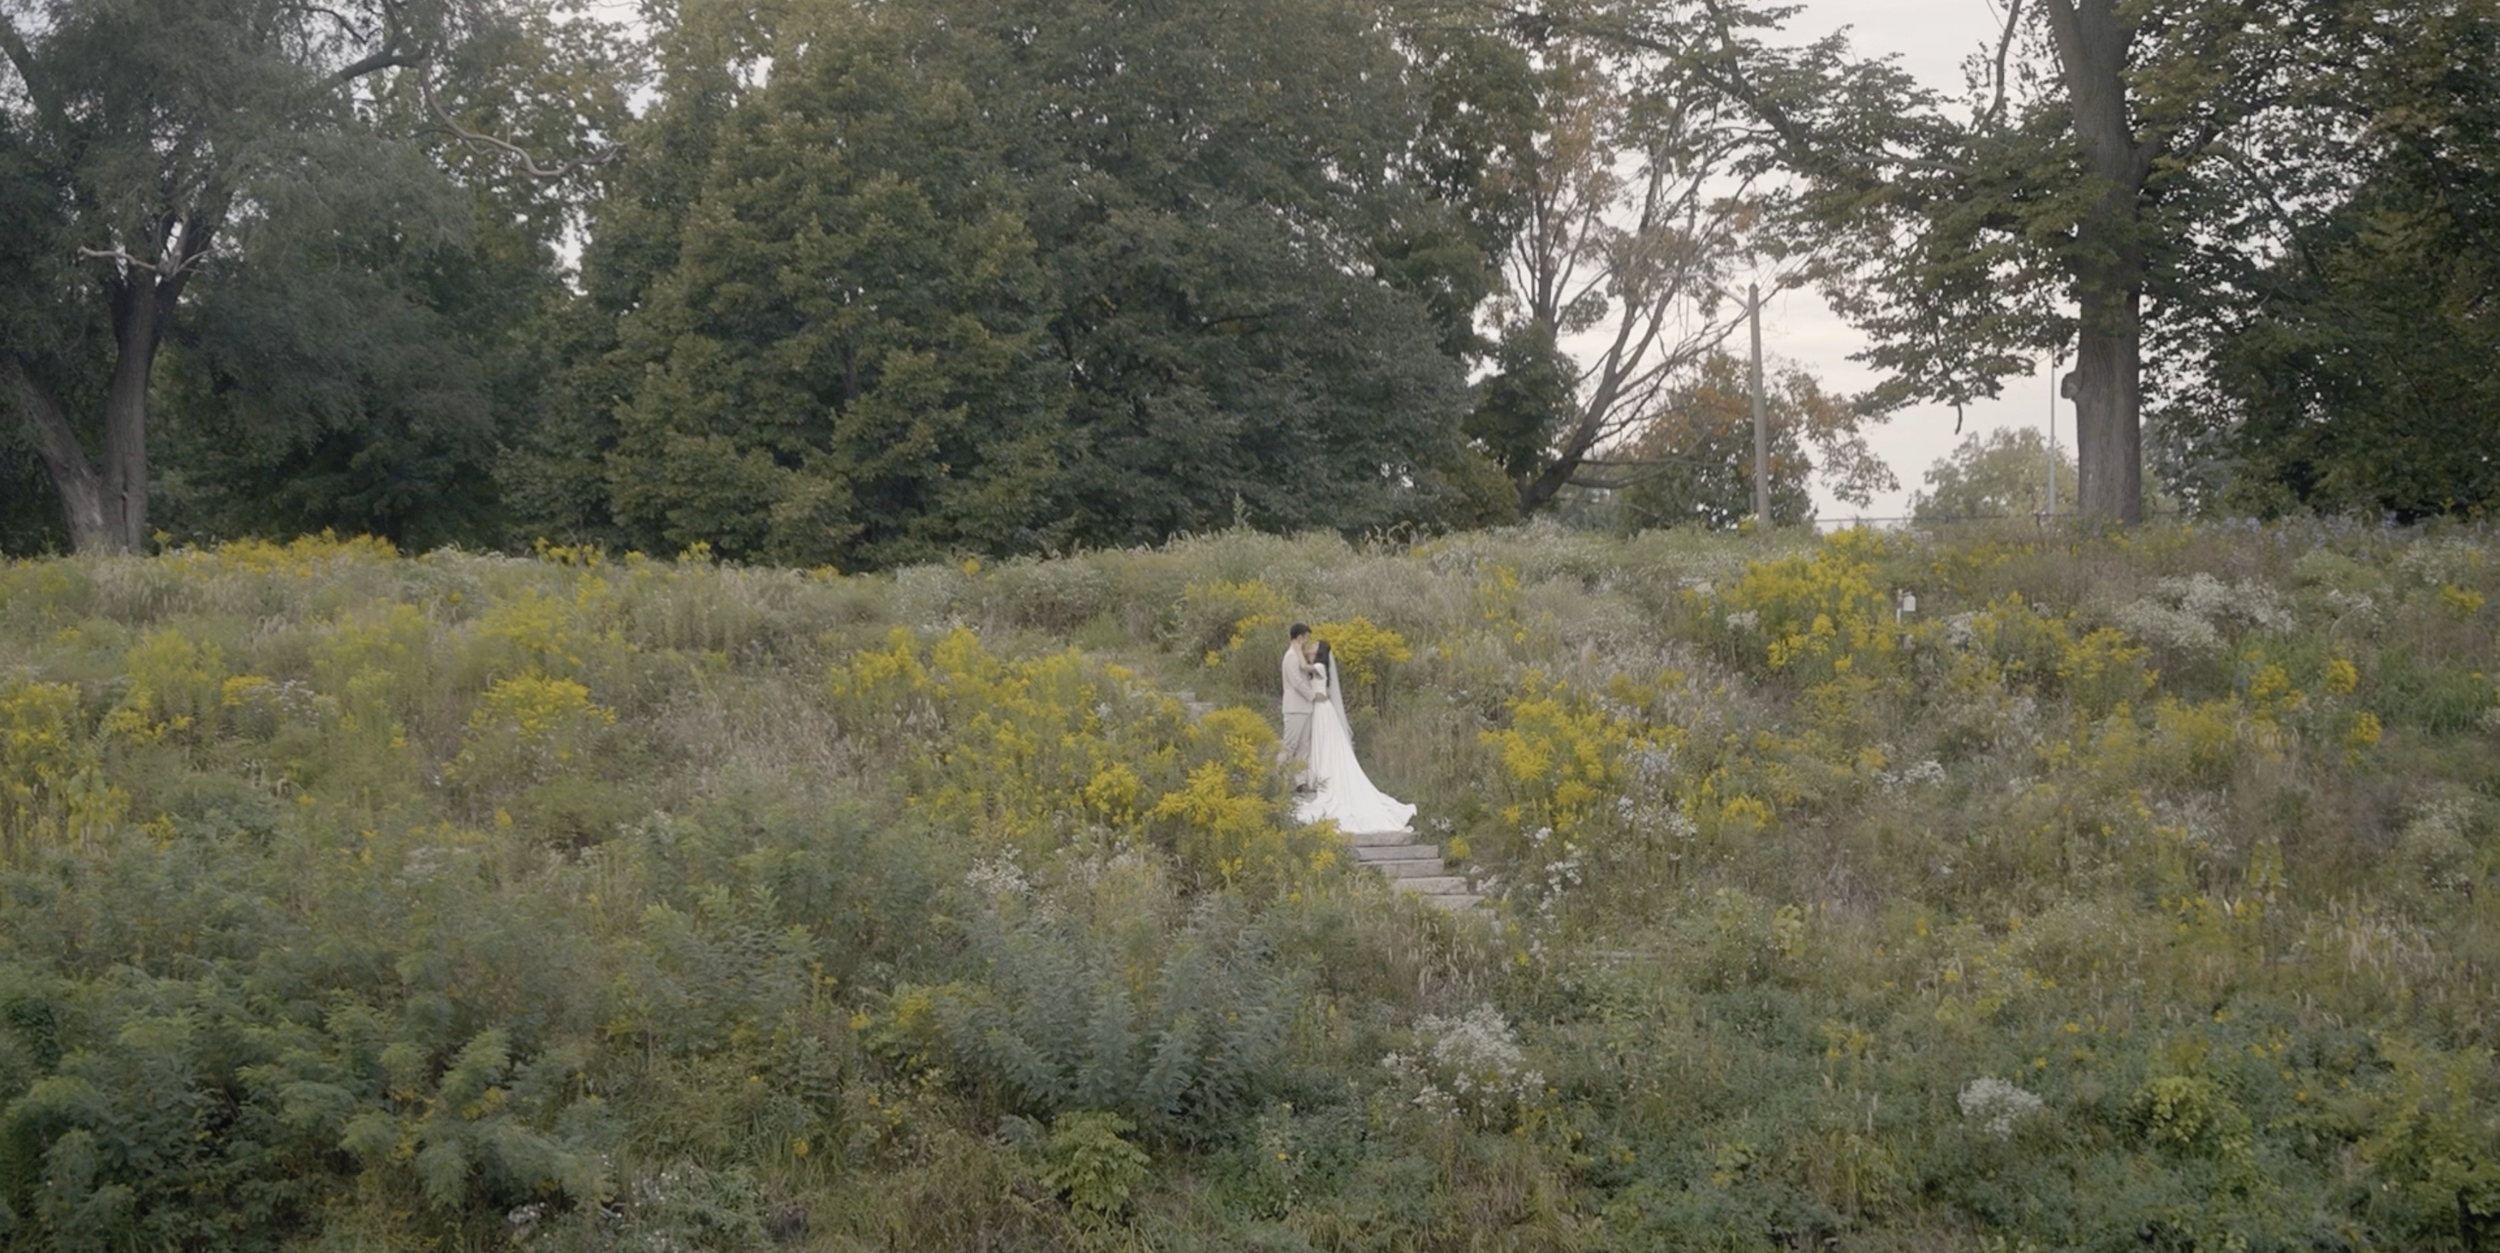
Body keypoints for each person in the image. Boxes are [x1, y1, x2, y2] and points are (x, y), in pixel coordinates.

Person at [1296, 638, 1417, 835]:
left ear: (1321, 652)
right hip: (1320, 708)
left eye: (1316, 645)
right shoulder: (1319, 666)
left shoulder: (1318, 665)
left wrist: (1297, 647)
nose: (1313, 646)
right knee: (1324, 743)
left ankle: (1323, 777)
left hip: (1323, 710)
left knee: (1326, 744)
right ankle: (1319, 776)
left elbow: (1303, 666)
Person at [1277, 623, 1327, 789]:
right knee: (1290, 744)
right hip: (1295, 708)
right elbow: (1297, 682)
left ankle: (1301, 781)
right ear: (1299, 637)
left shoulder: (1298, 655)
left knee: (1304, 746)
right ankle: (1279, 781)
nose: (1307, 642)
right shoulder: (1291, 656)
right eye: (1306, 638)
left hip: (1305, 708)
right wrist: (1313, 695)